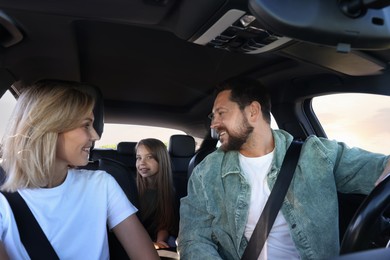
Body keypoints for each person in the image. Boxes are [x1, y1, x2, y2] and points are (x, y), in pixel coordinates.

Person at [177, 77, 390, 259]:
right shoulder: (206, 172)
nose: (214, 124)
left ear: (253, 111)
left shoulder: (317, 155)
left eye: (221, 113)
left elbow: (379, 168)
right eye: (213, 116)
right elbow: (194, 239)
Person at [0, 80, 159, 259]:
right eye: (86, 125)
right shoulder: (4, 201)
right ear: (50, 128)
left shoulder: (102, 184)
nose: (96, 135)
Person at [135, 138, 179, 250]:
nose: (142, 163)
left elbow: (164, 223)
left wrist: (159, 241)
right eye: (138, 158)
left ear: (161, 160)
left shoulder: (169, 192)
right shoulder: (131, 188)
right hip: (133, 237)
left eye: (149, 157)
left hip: (154, 237)